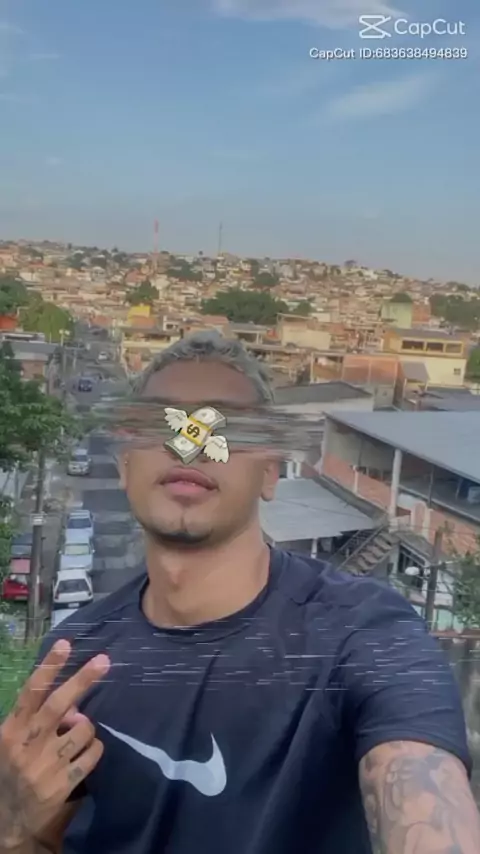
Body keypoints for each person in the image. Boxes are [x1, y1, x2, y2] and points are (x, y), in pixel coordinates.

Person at [1, 331, 479, 854]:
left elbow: (422, 796)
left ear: (270, 472)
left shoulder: (363, 635)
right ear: (124, 462)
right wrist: (16, 827)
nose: (190, 445)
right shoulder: (75, 658)